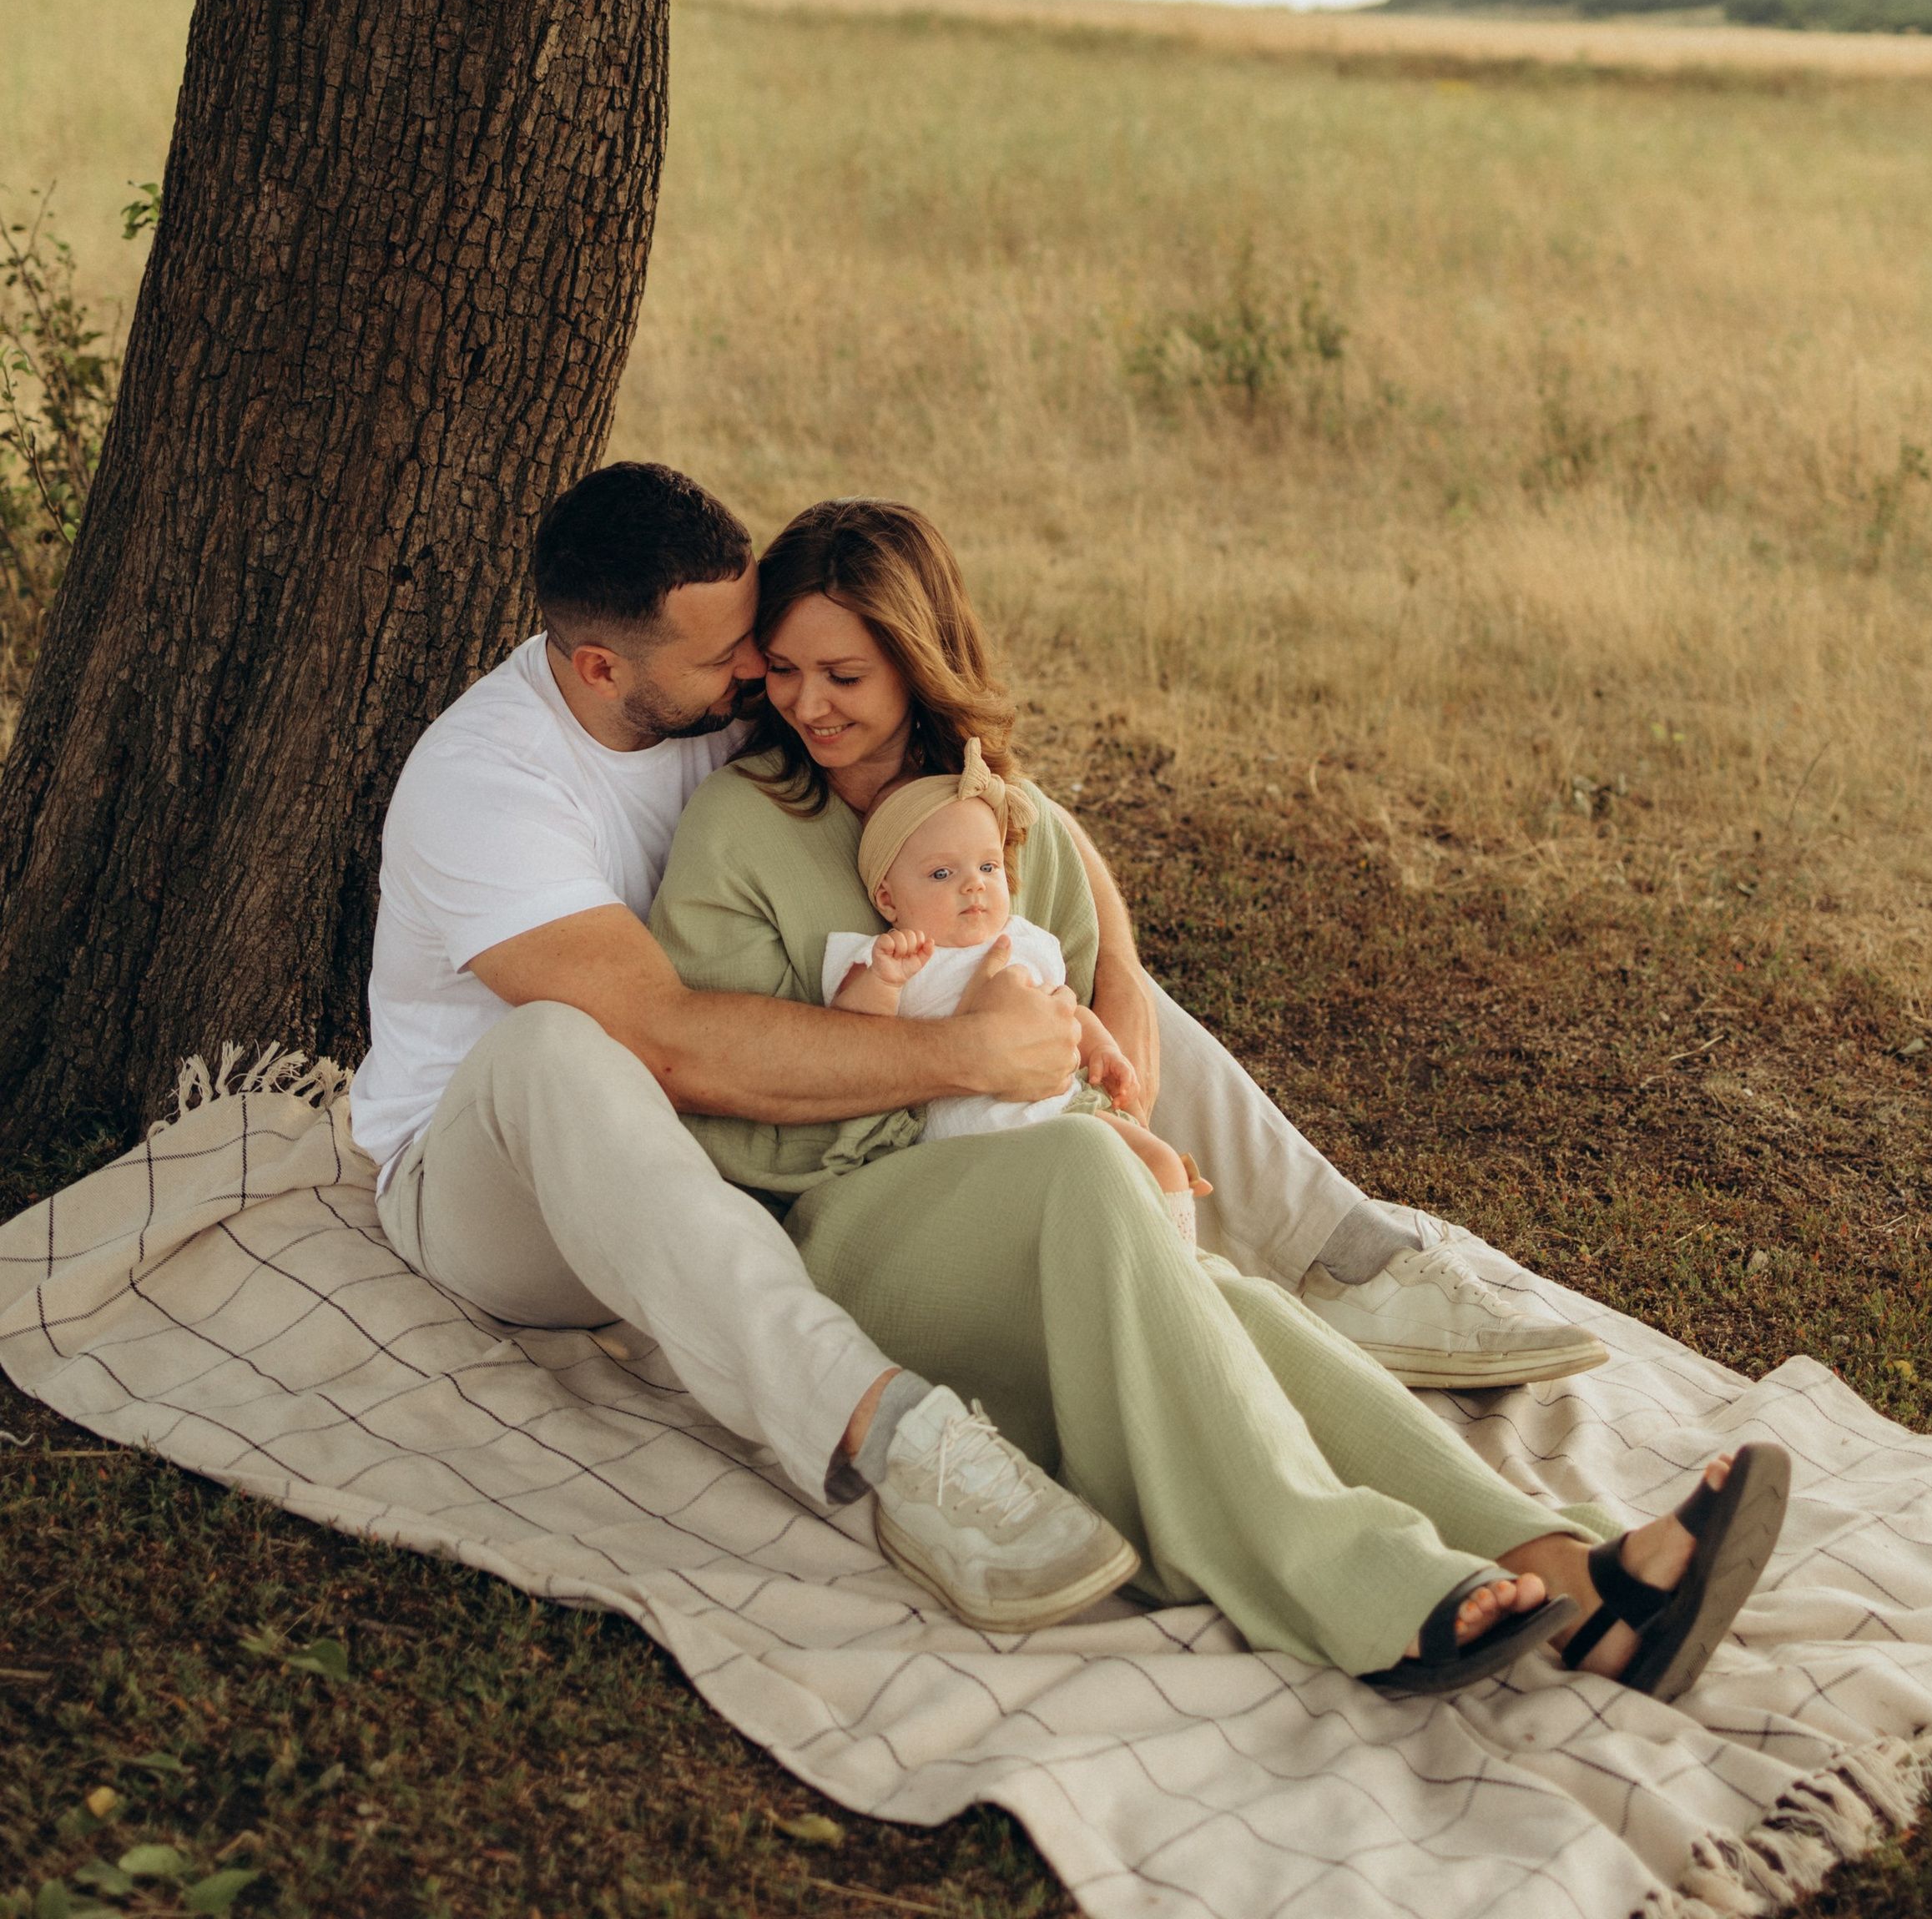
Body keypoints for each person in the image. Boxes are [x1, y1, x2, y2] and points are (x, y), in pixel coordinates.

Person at [650, 497, 1792, 1694]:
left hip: (1040, 1201)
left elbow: (1082, 1039)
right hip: (851, 1231)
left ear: (923, 661)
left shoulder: (1014, 828)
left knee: (1224, 1305)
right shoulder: (740, 824)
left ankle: (1579, 1582)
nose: (807, 703)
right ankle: (1369, 1588)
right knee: (1106, 1197)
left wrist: (1114, 1133)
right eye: (782, 670)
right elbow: (733, 1097)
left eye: (844, 673)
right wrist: (984, 1091)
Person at [349, 463, 1141, 1635]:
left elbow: (1001, 815)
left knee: (993, 945)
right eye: (732, 661)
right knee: (556, 1048)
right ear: (603, 669)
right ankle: (893, 1438)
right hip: (498, 1194)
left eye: (757, 645)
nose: (764, 679)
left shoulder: (736, 697)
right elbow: (665, 1047)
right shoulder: (484, 785)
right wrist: (971, 1058)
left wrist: (1109, 982)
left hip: (718, 1156)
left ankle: (1341, 1243)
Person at [832, 746, 1211, 1248]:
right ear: (888, 899)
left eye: (988, 867)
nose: (974, 887)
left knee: (1161, 1162)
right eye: (942, 874)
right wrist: (883, 981)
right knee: (1065, 1214)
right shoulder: (896, 957)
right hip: (972, 1144)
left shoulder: (1025, 941)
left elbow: (1066, 1007)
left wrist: (1103, 1050)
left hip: (1062, 1110)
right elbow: (852, 1038)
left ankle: (1178, 1266)